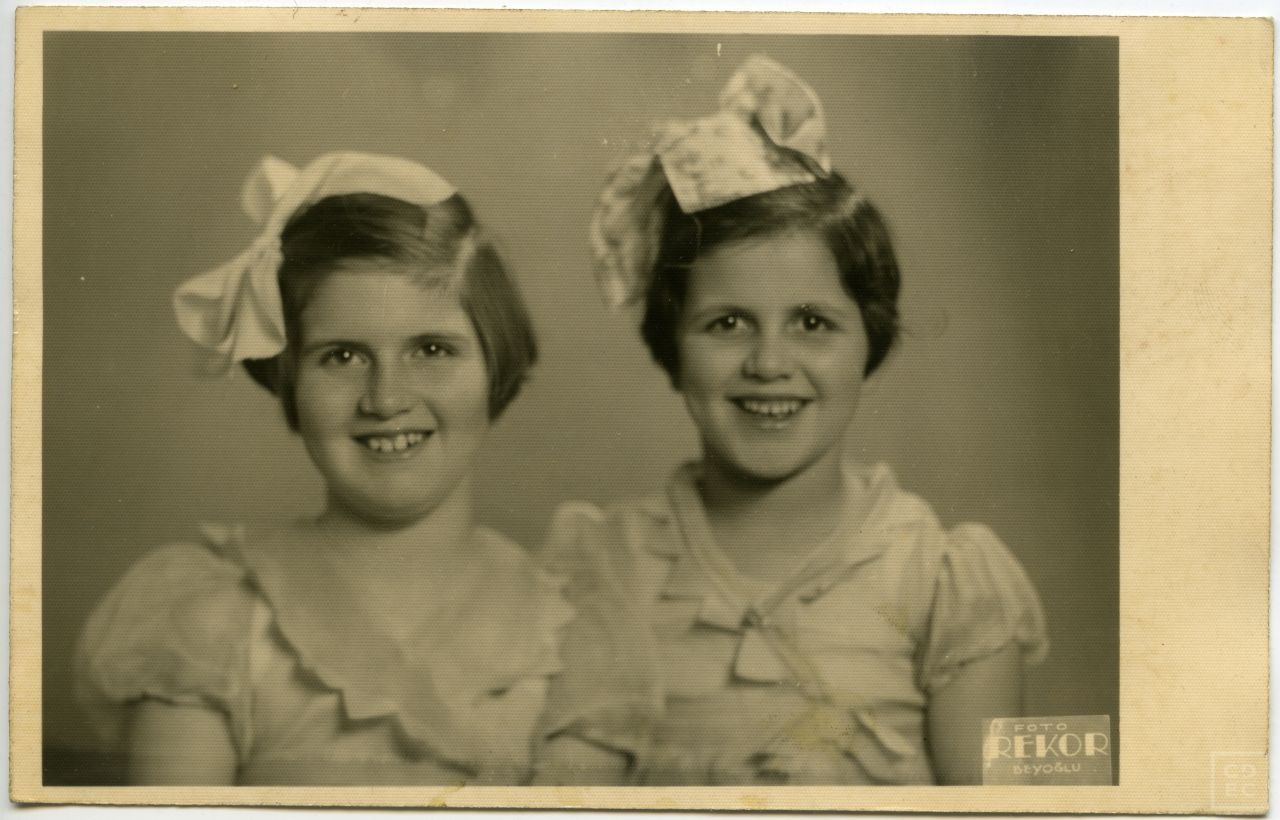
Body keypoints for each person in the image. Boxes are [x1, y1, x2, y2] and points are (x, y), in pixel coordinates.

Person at [537, 56, 1048, 786]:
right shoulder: (604, 567)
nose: (770, 363)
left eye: (812, 322)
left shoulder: (943, 582)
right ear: (672, 344)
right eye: (727, 323)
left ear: (869, 337)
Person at [75, 152, 571, 785]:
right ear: (288, 381)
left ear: (496, 364)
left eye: (431, 349)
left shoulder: (563, 626)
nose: (386, 399)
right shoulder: (215, 623)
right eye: (341, 357)